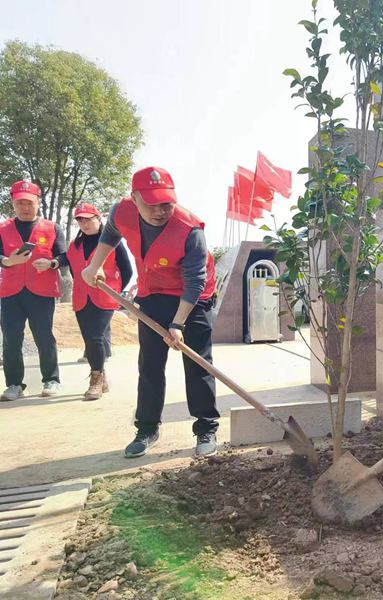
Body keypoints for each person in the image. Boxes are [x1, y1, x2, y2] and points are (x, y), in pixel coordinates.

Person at [82, 167, 219, 458]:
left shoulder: (190, 230)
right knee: (150, 365)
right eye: (152, 203)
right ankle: (147, 429)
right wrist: (95, 265)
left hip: (192, 298)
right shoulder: (122, 210)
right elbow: (110, 233)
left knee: (198, 363)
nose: (160, 210)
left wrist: (178, 324)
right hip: (153, 293)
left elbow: (194, 282)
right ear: (134, 198)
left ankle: (206, 426)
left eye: (166, 203)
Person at [0, 180, 67, 401]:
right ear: (13, 203)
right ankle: (14, 384)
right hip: (11, 292)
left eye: (29, 202)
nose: (25, 207)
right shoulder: (3, 228)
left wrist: (51, 264)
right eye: (20, 203)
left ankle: (51, 380)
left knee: (44, 336)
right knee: (11, 338)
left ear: (38, 202)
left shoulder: (52, 227)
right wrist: (7, 261)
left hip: (42, 291)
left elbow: (63, 255)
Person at [66, 203, 132, 400]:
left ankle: (95, 378)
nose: (84, 223)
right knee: (89, 339)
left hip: (105, 296)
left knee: (95, 336)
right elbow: (73, 270)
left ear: (98, 218)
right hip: (81, 297)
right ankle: (101, 376)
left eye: (88, 218)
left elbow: (127, 270)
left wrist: (115, 290)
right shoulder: (74, 245)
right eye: (80, 219)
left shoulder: (113, 242)